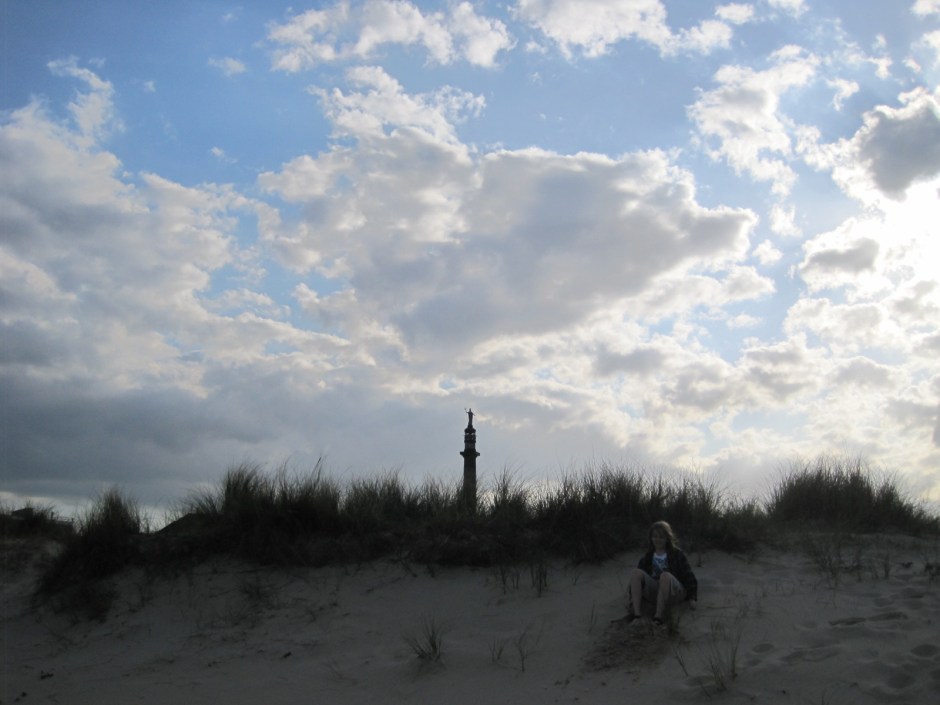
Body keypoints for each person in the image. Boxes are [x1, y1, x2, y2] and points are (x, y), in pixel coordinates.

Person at [625, 520, 698, 626]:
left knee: (665, 575)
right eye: (655, 536)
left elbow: (689, 576)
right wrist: (630, 596)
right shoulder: (648, 557)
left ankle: (658, 618)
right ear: (651, 538)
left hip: (674, 591)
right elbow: (638, 581)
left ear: (667, 538)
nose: (657, 539)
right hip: (656, 592)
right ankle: (637, 616)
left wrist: (692, 598)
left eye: (661, 537)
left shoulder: (676, 554)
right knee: (636, 572)